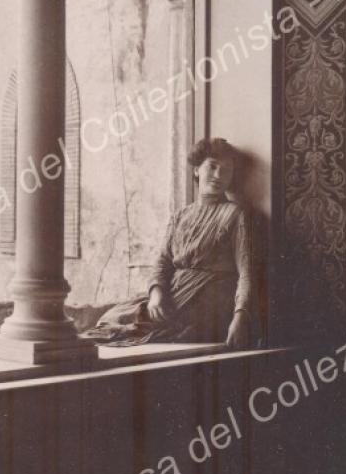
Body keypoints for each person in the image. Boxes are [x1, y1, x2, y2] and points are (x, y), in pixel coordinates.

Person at [87, 138, 254, 347]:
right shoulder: (180, 216)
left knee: (124, 326)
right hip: (174, 295)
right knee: (112, 317)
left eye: (226, 170)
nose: (218, 175)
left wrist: (240, 317)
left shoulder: (235, 214)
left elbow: (247, 271)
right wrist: (156, 293)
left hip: (207, 301)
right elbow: (163, 261)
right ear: (196, 170)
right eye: (212, 166)